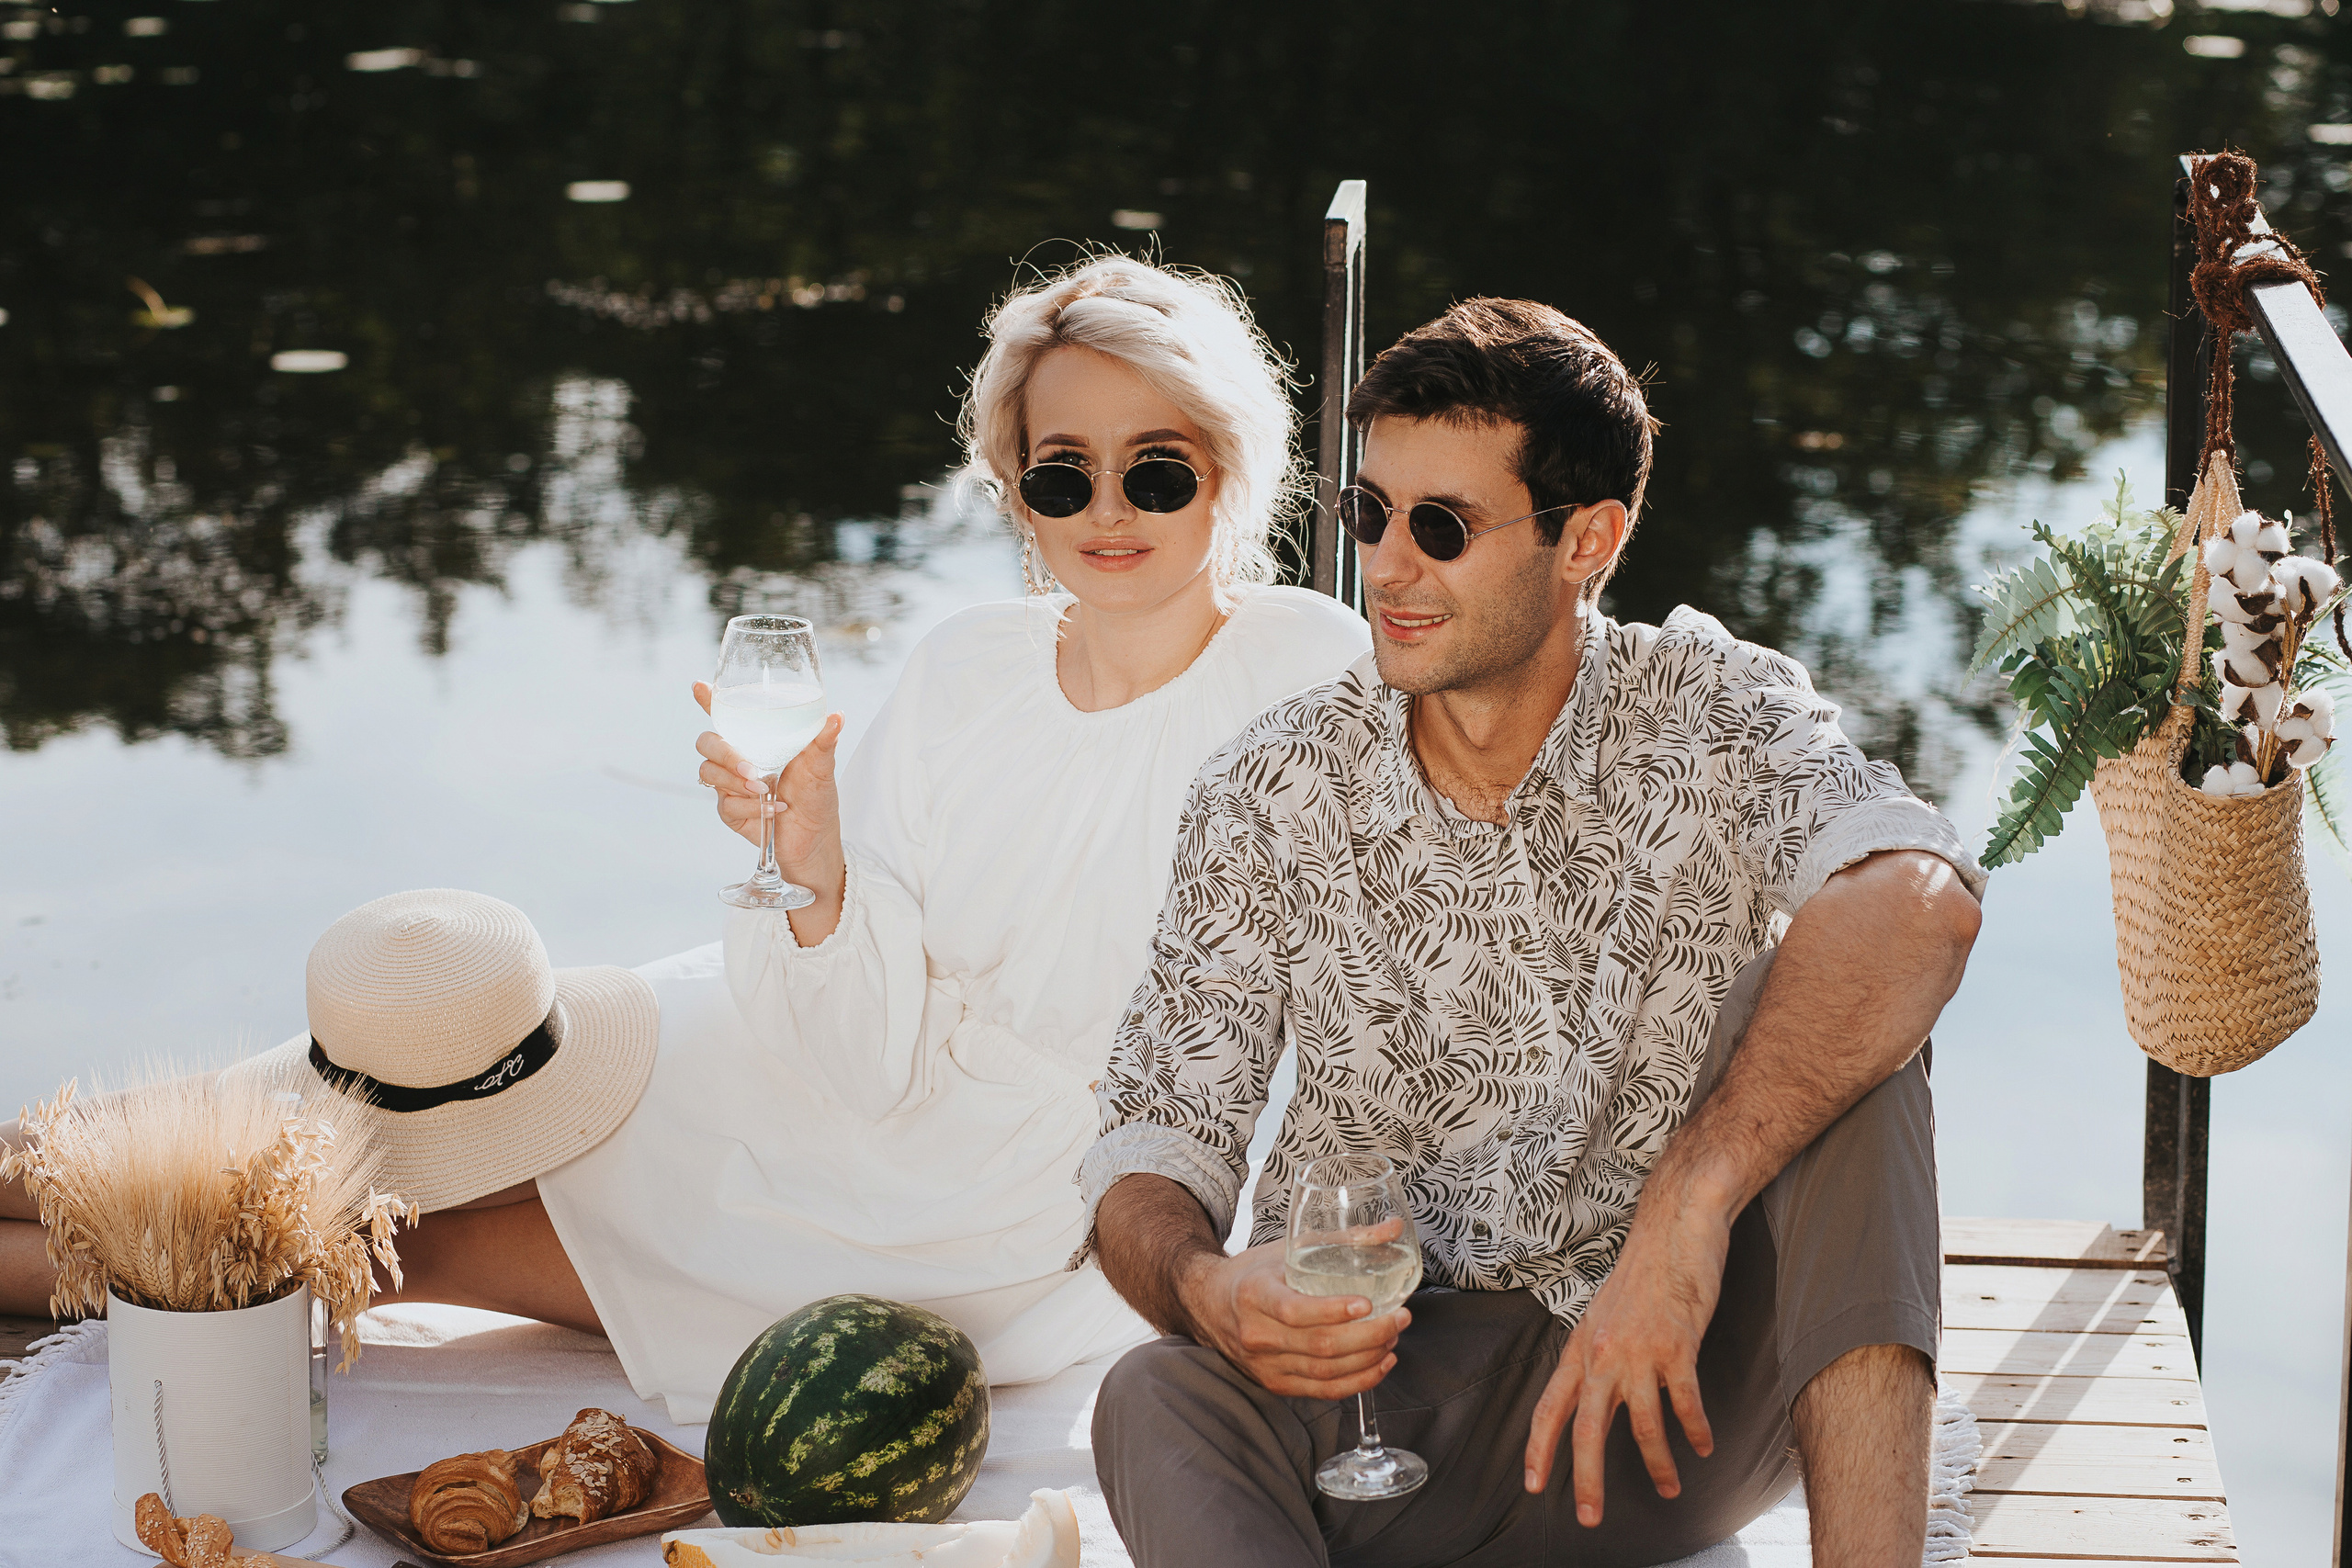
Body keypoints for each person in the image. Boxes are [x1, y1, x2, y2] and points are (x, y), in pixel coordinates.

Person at [0, 254, 1369, 1420]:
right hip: (773, 1044)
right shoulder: (968, 663)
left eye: (1158, 470)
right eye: (1061, 476)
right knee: (278, 1106)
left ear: (1233, 469)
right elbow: (850, 1011)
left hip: (998, 1206)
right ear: (1012, 489)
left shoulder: (1312, 663)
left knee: (362, 1241)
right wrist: (814, 865)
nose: (1110, 512)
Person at [1080, 299, 1984, 1568]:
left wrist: (1691, 1202)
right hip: (1397, 1420)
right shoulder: (1270, 788)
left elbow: (1923, 899)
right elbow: (1150, 1148)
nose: (1386, 567)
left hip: (1676, 1398)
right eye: (1370, 514)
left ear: (1588, 540)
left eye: (1441, 527)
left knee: (1860, 1040)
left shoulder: (1712, 713)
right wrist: (1205, 1289)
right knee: (1151, 1398)